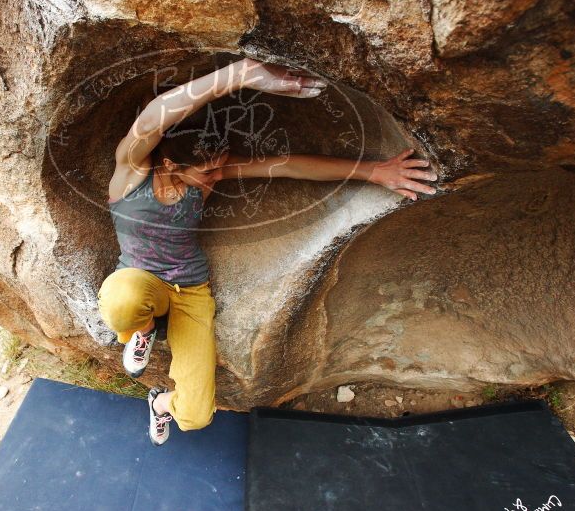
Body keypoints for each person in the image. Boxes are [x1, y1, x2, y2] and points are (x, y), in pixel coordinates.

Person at [96, 58, 437, 446]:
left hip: (189, 292)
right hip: (141, 283)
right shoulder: (131, 172)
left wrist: (372, 172)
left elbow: (288, 166)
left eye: (219, 166)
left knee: (193, 417)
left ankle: (159, 404)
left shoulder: (211, 169)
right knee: (122, 298)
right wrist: (238, 74)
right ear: (171, 162)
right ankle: (141, 332)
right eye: (207, 171)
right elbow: (155, 119)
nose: (215, 176)